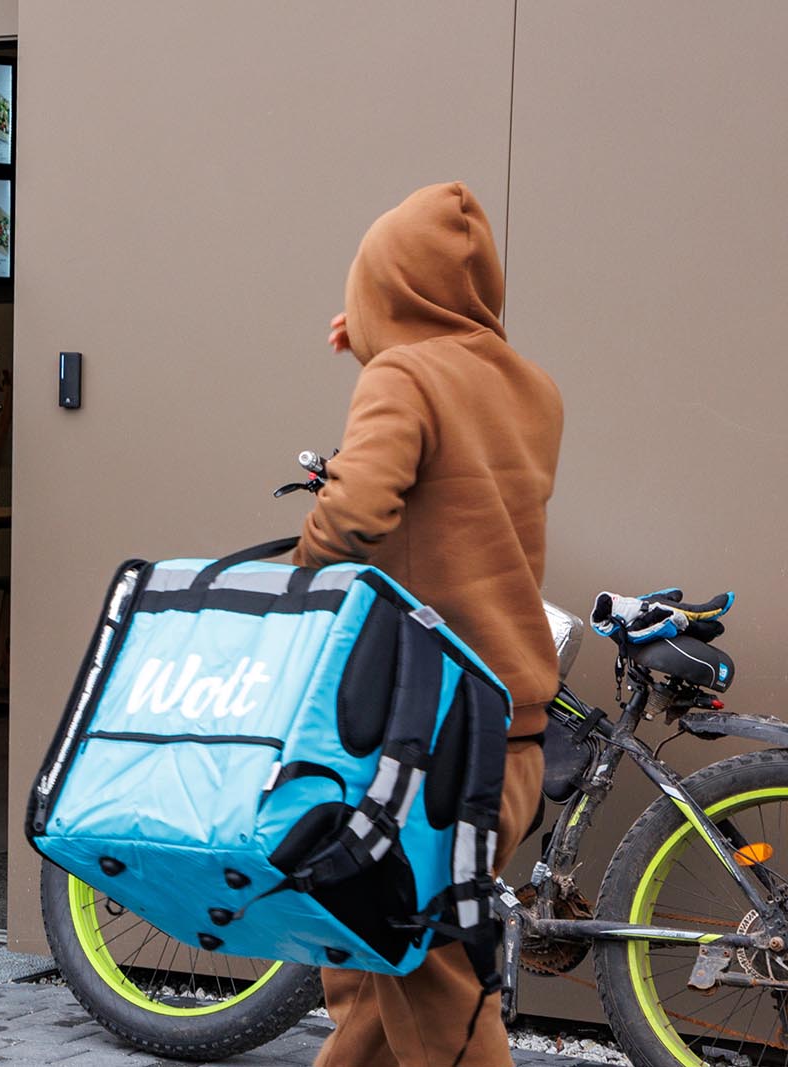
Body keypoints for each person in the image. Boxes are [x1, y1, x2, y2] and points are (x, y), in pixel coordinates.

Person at [296, 182, 563, 1066]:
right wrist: (382, 347)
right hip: (508, 732)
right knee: (371, 957)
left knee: (431, 979)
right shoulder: (532, 390)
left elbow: (357, 511)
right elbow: (451, 473)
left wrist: (301, 575)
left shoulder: (403, 378)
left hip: (423, 739)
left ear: (385, 289)